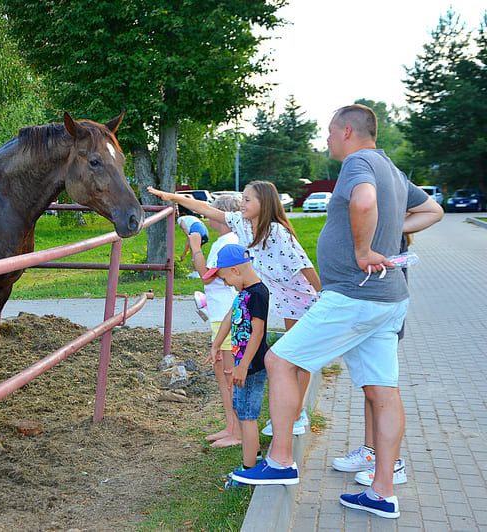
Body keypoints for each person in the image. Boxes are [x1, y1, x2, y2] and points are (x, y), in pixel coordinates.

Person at [230, 104, 443, 520]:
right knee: (383, 391)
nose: (326, 140)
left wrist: (364, 249)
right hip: (388, 299)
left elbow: (363, 201)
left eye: (329, 132)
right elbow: (433, 210)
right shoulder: (392, 170)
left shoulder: (358, 163)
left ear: (347, 131)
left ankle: (280, 463)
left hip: (352, 294)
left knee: (279, 360)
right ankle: (382, 493)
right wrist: (390, 229)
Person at [148, 181, 322, 434]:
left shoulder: (277, 232)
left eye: (248, 200)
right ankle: (293, 412)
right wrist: (171, 197)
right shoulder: (241, 224)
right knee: (291, 357)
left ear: (264, 204)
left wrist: (323, 295)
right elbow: (205, 208)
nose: (242, 203)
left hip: (302, 299)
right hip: (284, 302)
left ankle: (297, 414)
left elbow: (304, 265)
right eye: (242, 199)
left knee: (297, 358)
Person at [333, 233, 412, 487]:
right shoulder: (375, 229)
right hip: (369, 311)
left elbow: (433, 212)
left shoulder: (388, 232)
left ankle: (393, 465)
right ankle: (371, 451)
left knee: (384, 390)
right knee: (372, 389)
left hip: (381, 311)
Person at [204, 244, 270, 482]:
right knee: (242, 411)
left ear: (235, 270)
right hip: (244, 365)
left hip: (251, 368)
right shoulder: (243, 292)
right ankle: (256, 458)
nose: (227, 284)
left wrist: (243, 366)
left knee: (247, 416)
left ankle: (248, 470)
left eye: (225, 279)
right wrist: (215, 345)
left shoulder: (258, 293)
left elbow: (258, 332)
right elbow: (229, 318)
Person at [187, 194, 243, 447]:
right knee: (221, 372)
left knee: (228, 374)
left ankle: (238, 431)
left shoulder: (225, 243)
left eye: (212, 212)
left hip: (225, 317)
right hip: (221, 316)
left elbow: (206, 276)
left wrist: (196, 246)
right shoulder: (230, 239)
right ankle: (231, 426)